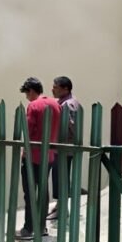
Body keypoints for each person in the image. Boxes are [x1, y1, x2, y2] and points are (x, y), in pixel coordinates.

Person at [19, 77, 61, 239]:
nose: (27, 97)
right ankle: (42, 227)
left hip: (33, 156)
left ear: (31, 91)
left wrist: (25, 151)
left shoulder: (34, 105)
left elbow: (28, 130)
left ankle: (29, 228)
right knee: (43, 191)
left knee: (30, 192)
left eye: (27, 93)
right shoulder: (55, 104)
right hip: (49, 155)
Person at [48, 76, 82, 220]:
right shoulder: (64, 102)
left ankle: (62, 210)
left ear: (65, 89)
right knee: (59, 177)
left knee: (61, 178)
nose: (53, 90)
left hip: (64, 149)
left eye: (56, 87)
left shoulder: (68, 104)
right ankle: (59, 206)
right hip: (61, 148)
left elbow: (72, 126)